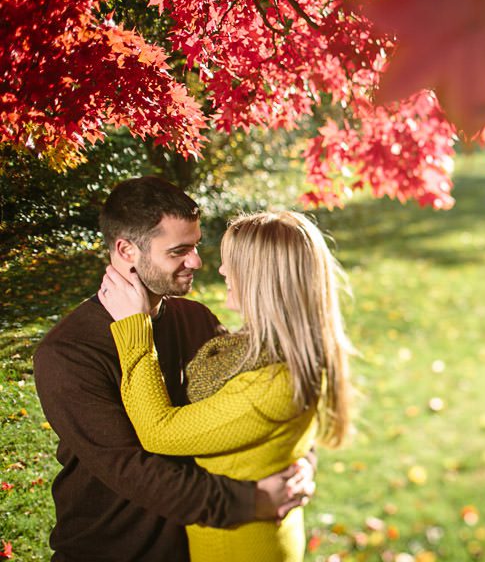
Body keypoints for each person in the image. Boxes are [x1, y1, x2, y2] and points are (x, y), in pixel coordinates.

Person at [33, 177, 315, 561]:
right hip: (111, 549)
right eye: (179, 250)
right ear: (126, 250)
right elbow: (131, 468)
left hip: (197, 545)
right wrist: (250, 503)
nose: (197, 261)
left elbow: (257, 403)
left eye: (195, 246)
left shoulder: (195, 319)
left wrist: (297, 462)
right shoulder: (69, 352)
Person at [98, 210, 353, 562]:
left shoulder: (272, 381)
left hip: (239, 548)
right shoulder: (279, 350)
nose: (220, 270)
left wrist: (134, 327)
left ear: (265, 279)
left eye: (233, 263)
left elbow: (159, 431)